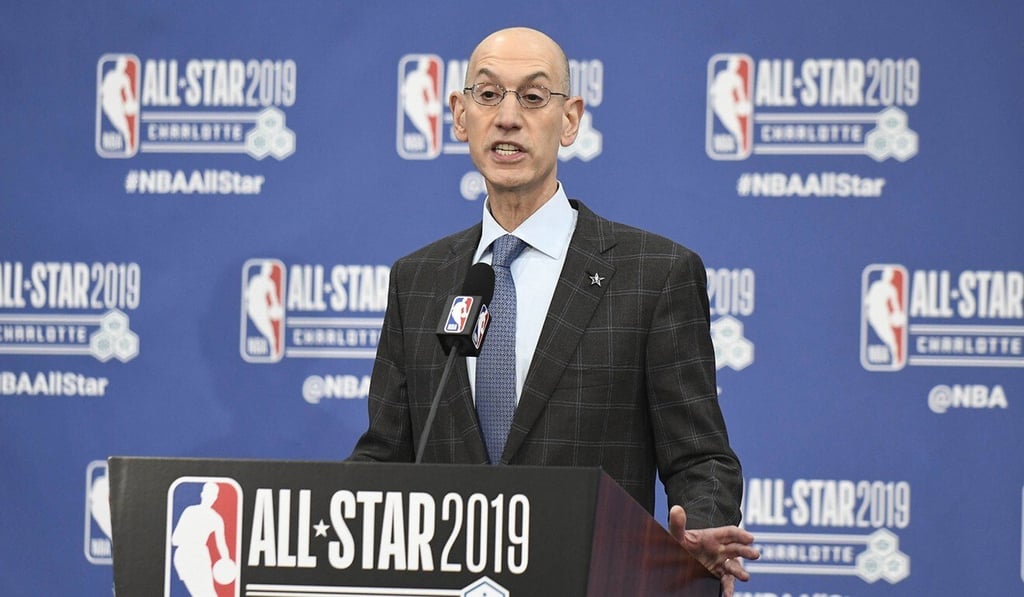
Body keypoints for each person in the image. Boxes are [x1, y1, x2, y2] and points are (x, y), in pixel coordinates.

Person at [349, 27, 758, 594]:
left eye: (533, 96)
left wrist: (701, 529)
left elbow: (701, 458)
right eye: (488, 95)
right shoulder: (418, 281)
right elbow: (384, 457)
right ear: (461, 116)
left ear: (569, 120)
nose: (508, 118)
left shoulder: (654, 275)